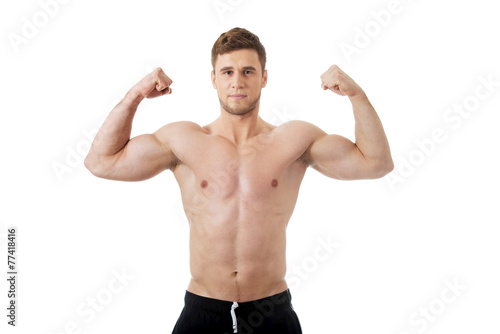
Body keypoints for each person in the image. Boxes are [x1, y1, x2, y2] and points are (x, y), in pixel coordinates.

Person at [84, 27, 394, 334]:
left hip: (271, 311)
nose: (237, 81)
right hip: (202, 310)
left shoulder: (294, 139)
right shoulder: (183, 140)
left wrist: (357, 95)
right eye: (227, 71)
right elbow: (101, 162)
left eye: (248, 71)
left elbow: (375, 163)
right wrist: (134, 95)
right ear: (213, 79)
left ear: (264, 78)